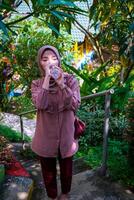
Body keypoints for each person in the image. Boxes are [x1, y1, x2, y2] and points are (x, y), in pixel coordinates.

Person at [30, 45, 81, 200]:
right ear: (40, 63)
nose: (50, 62)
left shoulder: (71, 80)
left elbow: (74, 104)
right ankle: (52, 196)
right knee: (48, 172)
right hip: (45, 137)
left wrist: (61, 84)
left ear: (59, 60)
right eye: (45, 59)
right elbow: (40, 104)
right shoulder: (36, 84)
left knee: (66, 169)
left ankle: (65, 194)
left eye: (54, 58)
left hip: (66, 137)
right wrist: (47, 78)